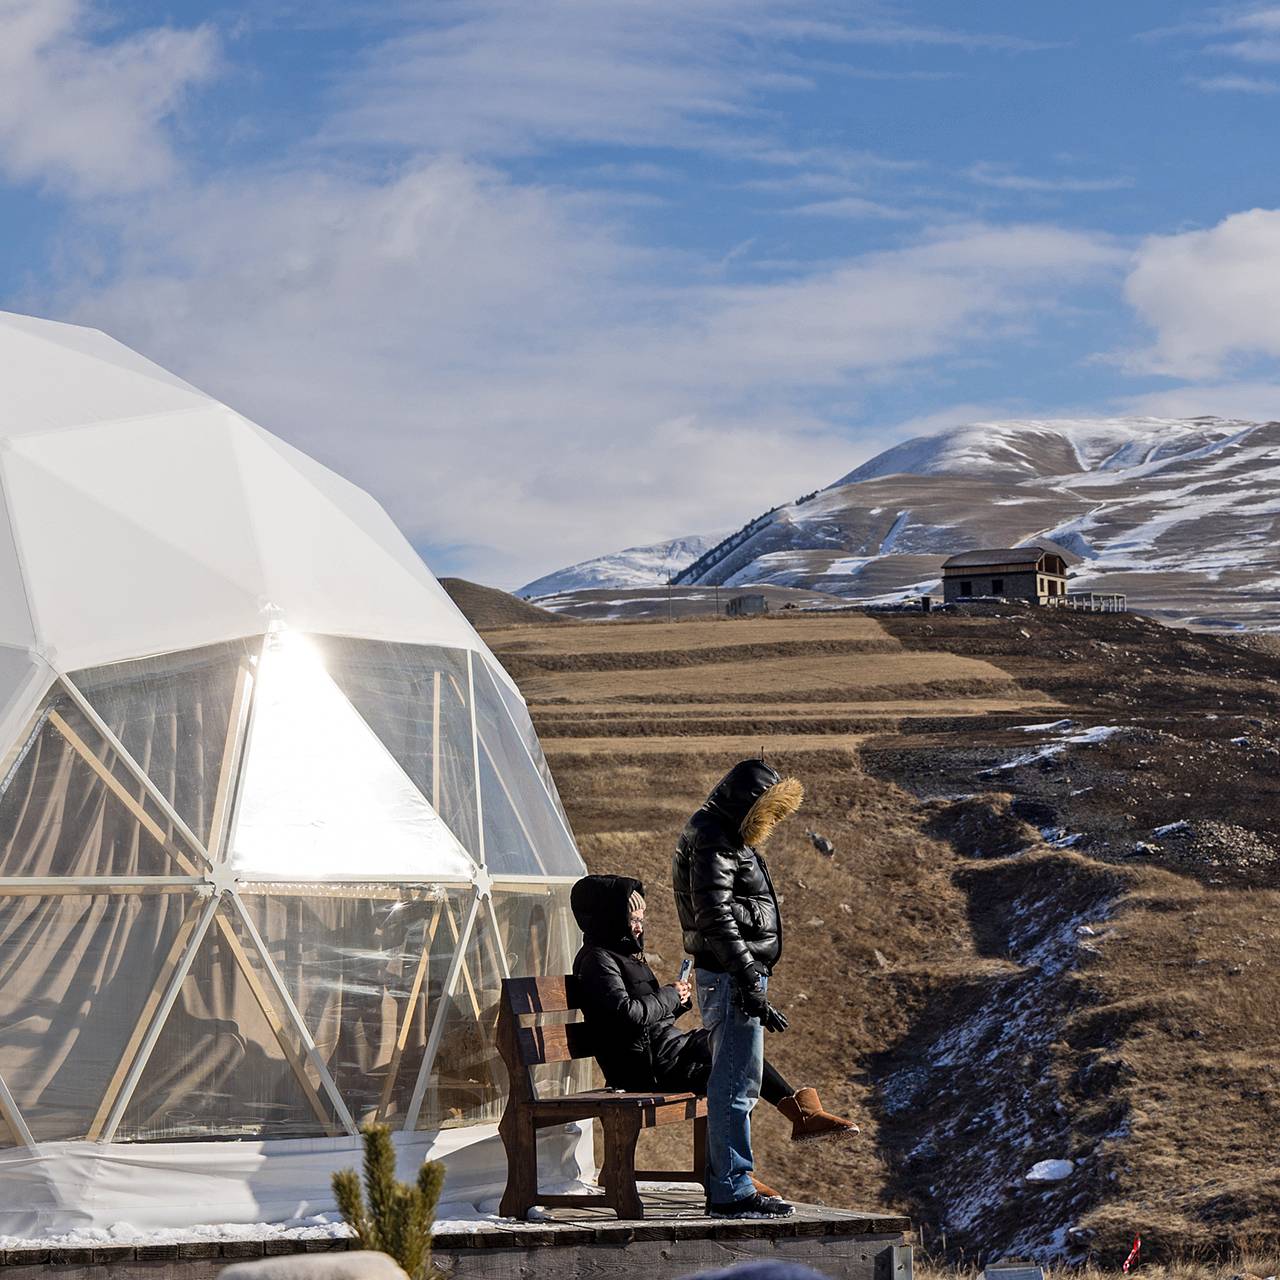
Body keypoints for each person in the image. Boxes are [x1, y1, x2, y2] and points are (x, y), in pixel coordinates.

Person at [672, 759, 856, 1219]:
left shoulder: (722, 834)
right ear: (748, 806)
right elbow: (714, 914)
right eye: (767, 813)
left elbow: (726, 908)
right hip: (732, 975)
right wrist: (748, 974)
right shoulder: (715, 838)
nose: (770, 825)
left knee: (741, 1079)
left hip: (734, 972)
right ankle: (733, 1190)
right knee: (735, 1084)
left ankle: (735, 1181)